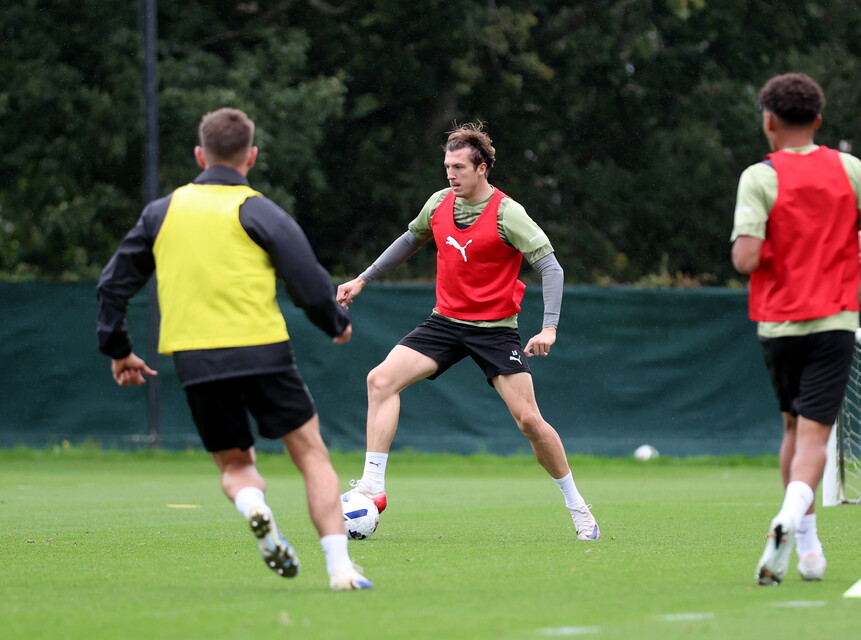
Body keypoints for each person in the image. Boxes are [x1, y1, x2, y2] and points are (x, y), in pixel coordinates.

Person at [96, 107, 374, 591]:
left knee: (236, 466)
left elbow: (112, 287)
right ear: (252, 156)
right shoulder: (258, 208)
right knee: (311, 456)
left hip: (197, 359)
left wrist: (119, 348)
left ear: (201, 155)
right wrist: (335, 322)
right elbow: (308, 282)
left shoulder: (161, 212)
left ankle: (254, 506)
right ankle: (340, 568)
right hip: (263, 353)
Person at [337, 122, 600, 541]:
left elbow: (551, 266)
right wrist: (363, 278)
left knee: (530, 421)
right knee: (380, 379)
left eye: (459, 166)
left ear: (482, 168)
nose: (450, 174)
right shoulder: (439, 203)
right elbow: (410, 239)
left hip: (495, 330)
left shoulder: (507, 213)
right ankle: (373, 485)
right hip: (445, 322)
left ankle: (578, 506)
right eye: (447, 166)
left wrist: (549, 327)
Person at [731, 73, 861, 585]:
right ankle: (791, 520)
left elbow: (744, 257)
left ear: (769, 121)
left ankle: (807, 548)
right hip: (833, 321)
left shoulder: (758, 177)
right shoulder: (849, 168)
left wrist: (780, 246)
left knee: (792, 428)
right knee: (814, 437)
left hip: (779, 325)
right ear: (818, 121)